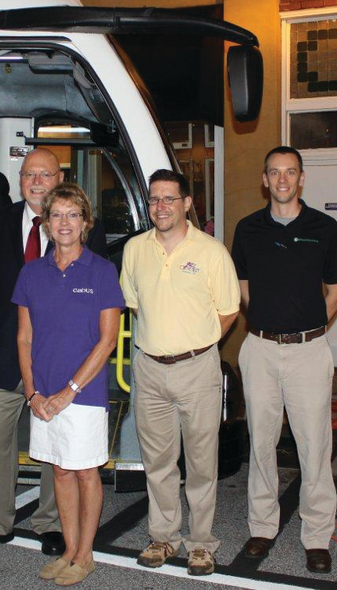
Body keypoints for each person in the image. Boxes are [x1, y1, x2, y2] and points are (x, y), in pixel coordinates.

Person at [0, 149, 106, 557]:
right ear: (20, 179)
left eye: (46, 174)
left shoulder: (82, 228)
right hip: (4, 358)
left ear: (60, 177)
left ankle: (48, 522)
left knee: (53, 451)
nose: (37, 182)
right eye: (29, 174)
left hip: (58, 363)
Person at [231, 146, 337, 574]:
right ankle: (262, 528)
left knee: (314, 446)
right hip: (260, 349)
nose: (282, 180)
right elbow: (241, 283)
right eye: (275, 172)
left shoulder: (325, 227)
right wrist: (264, 317)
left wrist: (310, 324)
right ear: (265, 179)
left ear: (301, 179)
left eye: (291, 172)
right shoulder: (247, 230)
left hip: (309, 352)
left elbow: (336, 290)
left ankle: (316, 536)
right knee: (261, 442)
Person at [119, 169, 240, 577]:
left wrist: (195, 347)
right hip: (149, 369)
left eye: (170, 198)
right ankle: (163, 535)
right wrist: (163, 342)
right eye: (154, 199)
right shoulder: (135, 249)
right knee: (158, 462)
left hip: (197, 370)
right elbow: (135, 304)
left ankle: (202, 543)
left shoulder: (212, 252)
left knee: (202, 463)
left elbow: (229, 311)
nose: (161, 206)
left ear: (187, 203)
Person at [12, 183, 123, 586]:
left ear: (86, 223)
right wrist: (32, 394)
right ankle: (71, 551)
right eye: (56, 214)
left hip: (83, 394)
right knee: (59, 470)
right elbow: (24, 338)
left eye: (73, 215)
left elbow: (107, 340)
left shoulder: (102, 270)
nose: (64, 223)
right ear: (44, 223)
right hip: (42, 395)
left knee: (85, 472)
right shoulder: (31, 272)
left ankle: (86, 554)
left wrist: (68, 391)